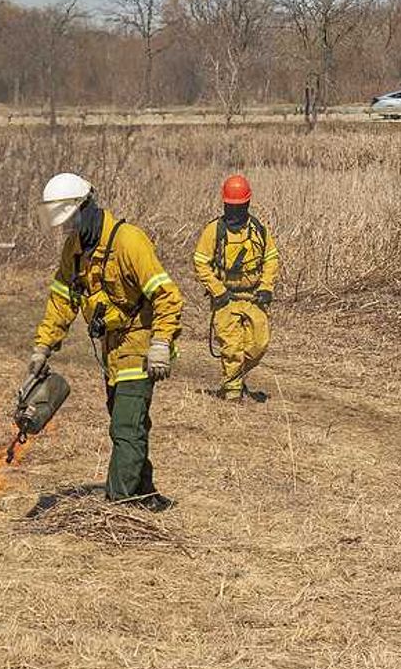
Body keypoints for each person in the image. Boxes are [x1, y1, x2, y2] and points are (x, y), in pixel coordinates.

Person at [29, 173, 184, 512]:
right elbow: (62, 301)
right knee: (127, 418)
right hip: (111, 348)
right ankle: (146, 494)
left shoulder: (129, 241)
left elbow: (167, 295)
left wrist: (160, 343)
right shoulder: (75, 249)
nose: (66, 229)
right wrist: (43, 347)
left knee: (125, 424)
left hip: (140, 343)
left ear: (86, 207)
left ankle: (121, 506)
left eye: (69, 220)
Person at [192, 174, 280, 401]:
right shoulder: (214, 231)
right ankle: (232, 397)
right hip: (226, 299)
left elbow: (271, 257)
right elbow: (201, 261)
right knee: (231, 347)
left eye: (239, 207)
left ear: (247, 204)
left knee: (259, 345)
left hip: (253, 297)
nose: (235, 211)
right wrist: (217, 290)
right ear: (224, 205)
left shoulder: (259, 230)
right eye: (231, 207)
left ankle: (234, 380)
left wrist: (266, 287)